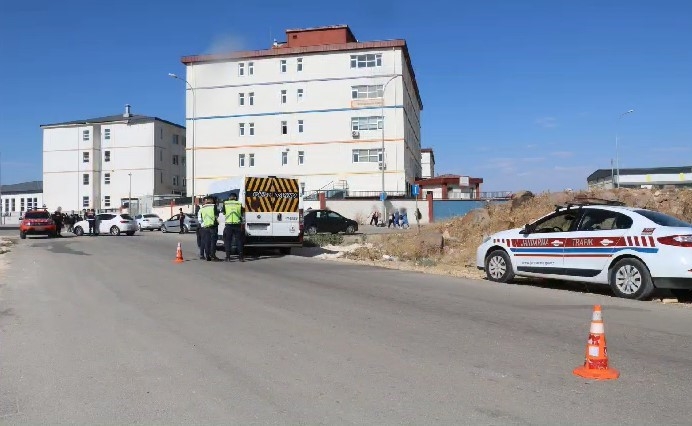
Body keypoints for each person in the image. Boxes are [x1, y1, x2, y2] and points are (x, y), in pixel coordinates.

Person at [222, 192, 245, 262]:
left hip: (229, 225)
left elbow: (223, 213)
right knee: (239, 241)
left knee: (228, 241)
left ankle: (228, 257)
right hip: (237, 225)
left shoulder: (225, 203)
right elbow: (242, 213)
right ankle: (241, 257)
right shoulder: (239, 204)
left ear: (229, 197)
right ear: (235, 198)